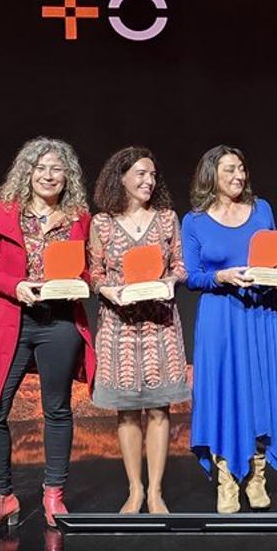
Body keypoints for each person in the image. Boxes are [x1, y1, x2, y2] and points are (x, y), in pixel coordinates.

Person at [0, 137, 95, 534]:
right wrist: (14, 285)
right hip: (12, 319)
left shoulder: (78, 218)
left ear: (67, 176)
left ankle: (53, 494)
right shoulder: (3, 213)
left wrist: (77, 284)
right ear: (27, 172)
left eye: (57, 168)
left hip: (58, 321)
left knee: (57, 409)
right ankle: (0, 497)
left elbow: (91, 269)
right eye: (41, 168)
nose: (48, 175)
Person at [181, 145, 277, 512]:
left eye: (242, 169)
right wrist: (222, 276)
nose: (238, 176)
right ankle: (227, 479)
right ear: (211, 174)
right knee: (224, 393)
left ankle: (257, 475)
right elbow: (193, 277)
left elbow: (275, 255)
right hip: (221, 317)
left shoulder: (261, 210)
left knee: (260, 392)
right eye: (230, 169)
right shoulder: (194, 221)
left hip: (261, 314)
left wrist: (275, 273)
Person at [87, 146, 189, 514]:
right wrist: (106, 289)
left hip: (159, 324)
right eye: (141, 174)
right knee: (127, 411)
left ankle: (157, 491)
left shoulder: (166, 219)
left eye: (153, 175)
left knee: (160, 409)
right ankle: (135, 490)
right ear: (122, 177)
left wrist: (172, 282)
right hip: (120, 327)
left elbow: (180, 264)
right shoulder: (101, 223)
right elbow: (94, 272)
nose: (149, 181)